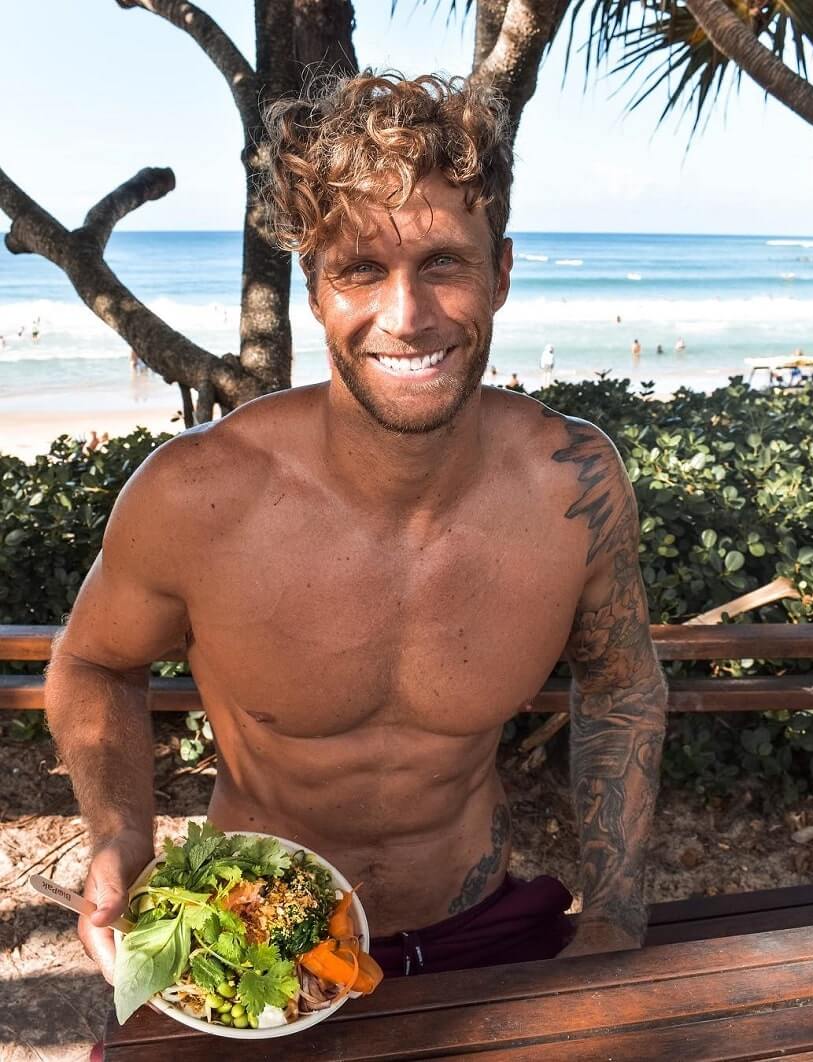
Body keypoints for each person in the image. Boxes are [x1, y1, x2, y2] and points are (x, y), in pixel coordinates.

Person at [46, 72, 666, 988]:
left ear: (500, 273)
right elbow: (92, 661)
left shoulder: (570, 486)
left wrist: (615, 912)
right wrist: (121, 833)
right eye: (361, 270)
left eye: (444, 263)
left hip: (481, 927)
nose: (405, 317)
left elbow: (621, 686)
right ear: (317, 292)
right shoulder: (200, 495)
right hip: (252, 936)